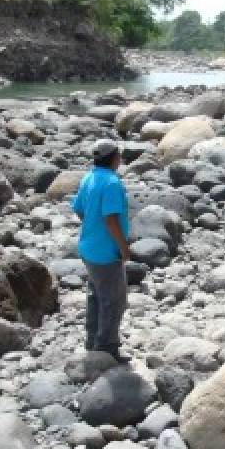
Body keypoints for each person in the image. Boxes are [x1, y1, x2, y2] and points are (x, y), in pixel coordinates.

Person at [71, 140, 132, 363]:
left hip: (88, 247)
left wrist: (91, 227)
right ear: (114, 158)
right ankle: (107, 348)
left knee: (95, 295)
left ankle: (92, 341)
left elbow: (78, 209)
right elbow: (111, 218)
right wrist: (123, 247)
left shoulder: (89, 177)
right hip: (107, 253)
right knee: (113, 301)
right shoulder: (112, 183)